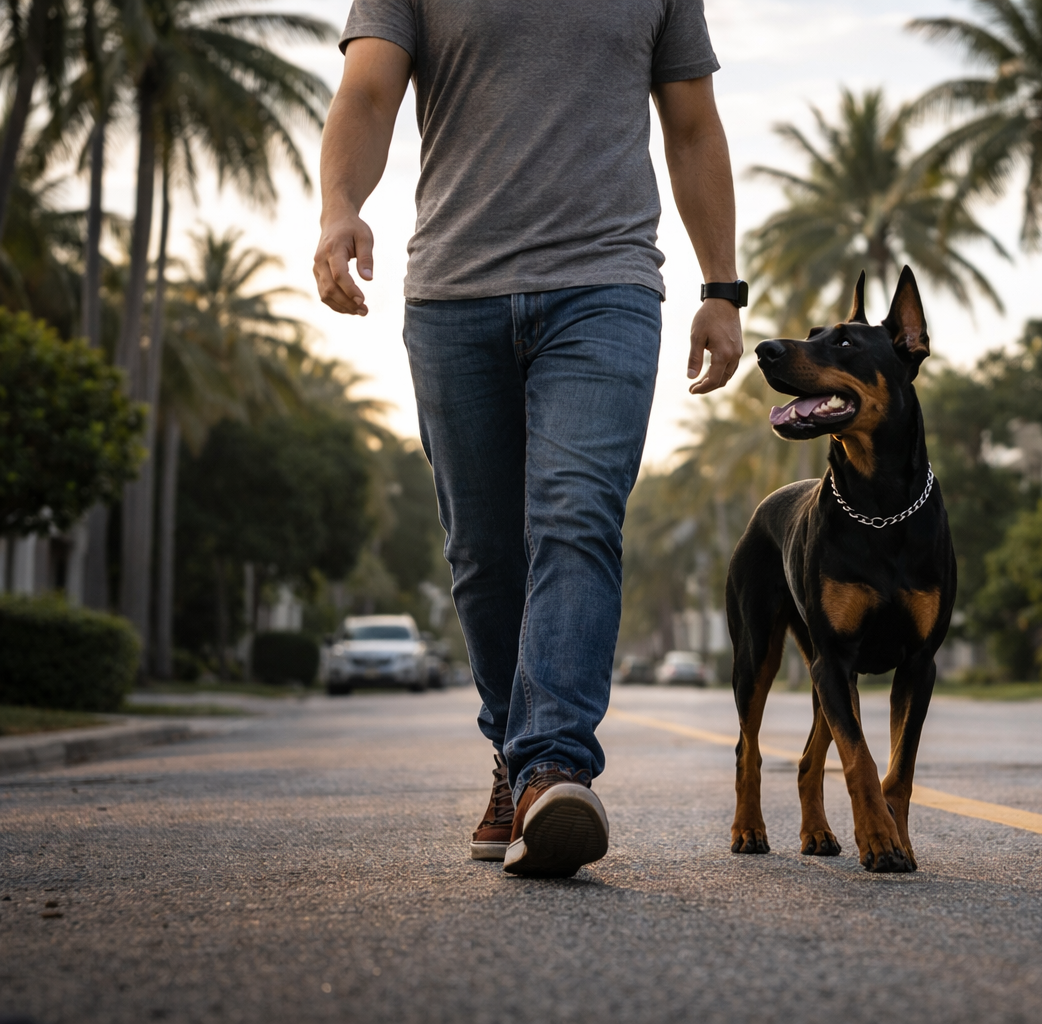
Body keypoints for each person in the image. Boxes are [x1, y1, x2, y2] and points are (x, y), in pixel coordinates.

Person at [314, 0, 743, 877]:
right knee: (483, 552)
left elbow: (693, 126)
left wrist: (723, 287)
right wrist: (338, 209)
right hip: (452, 297)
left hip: (607, 286)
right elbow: (365, 95)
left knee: (576, 513)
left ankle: (552, 764)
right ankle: (514, 756)